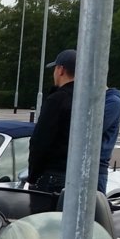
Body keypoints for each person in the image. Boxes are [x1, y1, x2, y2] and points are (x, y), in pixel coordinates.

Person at [27, 49, 77, 192]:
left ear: (61, 70)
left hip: (53, 175)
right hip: (77, 174)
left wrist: (33, 177)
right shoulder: (86, 99)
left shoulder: (57, 100)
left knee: (45, 208)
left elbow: (40, 140)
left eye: (55, 69)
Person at [98, 86, 120, 192]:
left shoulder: (112, 102)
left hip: (97, 167)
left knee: (95, 201)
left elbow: (95, 129)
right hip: (91, 166)